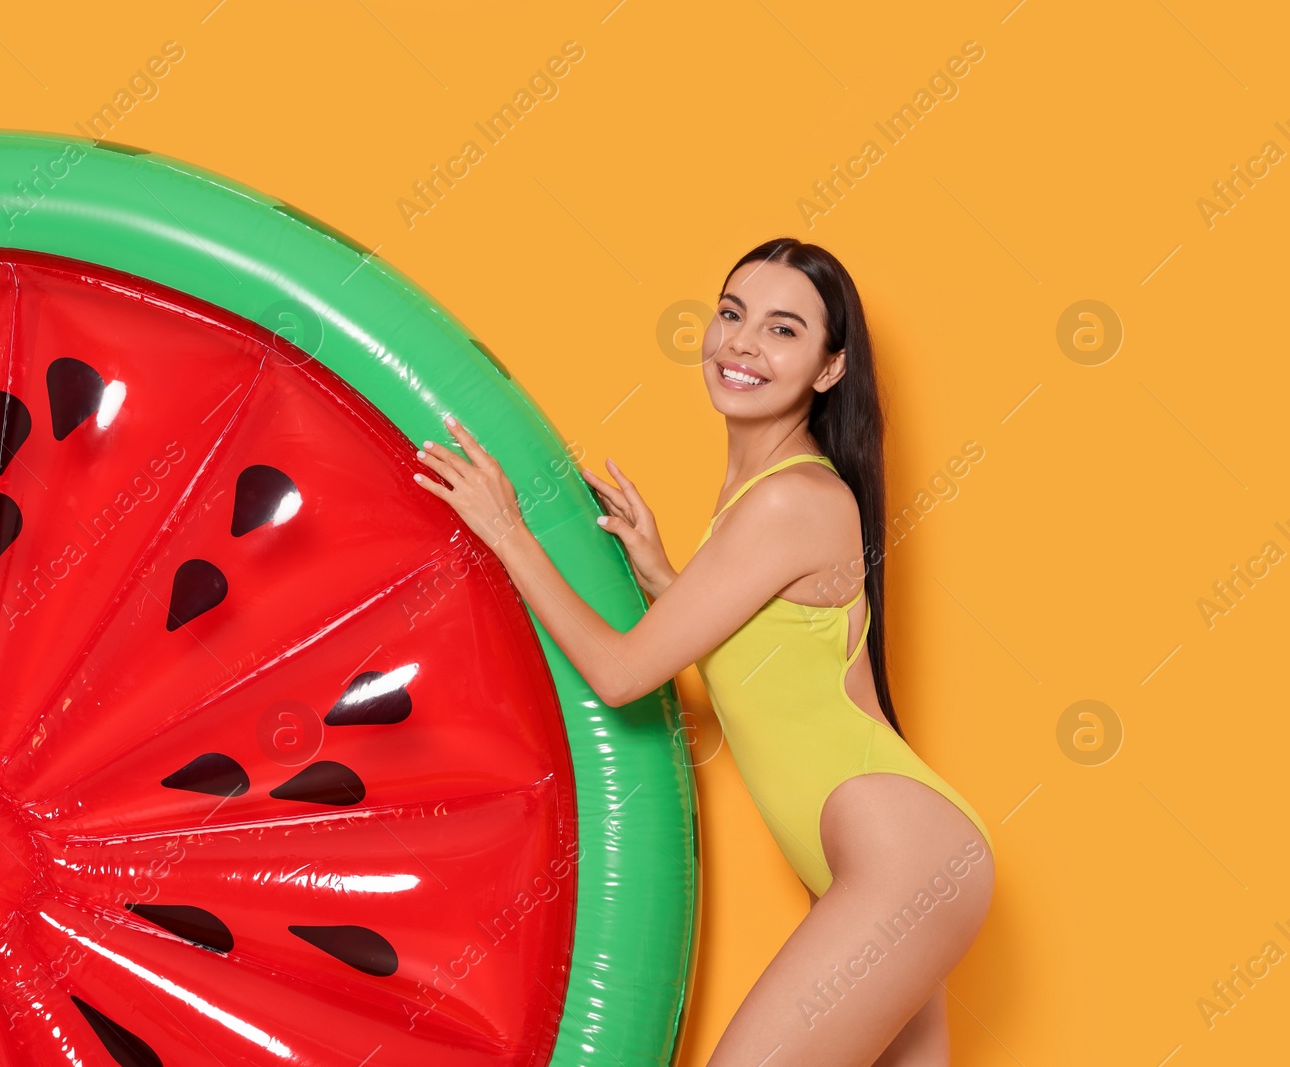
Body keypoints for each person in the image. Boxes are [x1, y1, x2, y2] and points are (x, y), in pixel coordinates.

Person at [412, 236, 994, 1065]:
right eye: (731, 313)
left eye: (783, 329)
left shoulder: (793, 498)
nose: (741, 342)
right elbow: (773, 675)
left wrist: (508, 532)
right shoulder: (772, 495)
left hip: (901, 859)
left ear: (830, 369)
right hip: (903, 862)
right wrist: (662, 575)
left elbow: (620, 674)